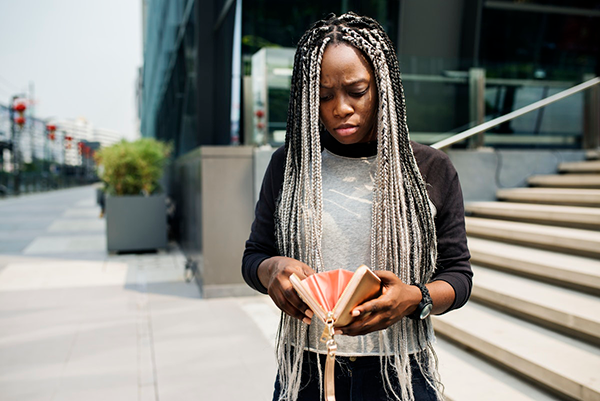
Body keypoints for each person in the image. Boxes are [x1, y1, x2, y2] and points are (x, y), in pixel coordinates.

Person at [242, 12, 472, 401]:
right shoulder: (289, 165)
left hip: (400, 374)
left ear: (381, 87)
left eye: (356, 90)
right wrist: (271, 270)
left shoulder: (430, 169)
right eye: (324, 95)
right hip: (307, 372)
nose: (340, 108)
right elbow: (254, 257)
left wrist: (414, 299)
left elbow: (458, 276)